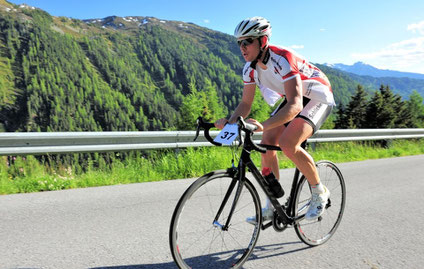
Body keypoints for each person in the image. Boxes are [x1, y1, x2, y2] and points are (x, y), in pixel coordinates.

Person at [215, 17, 335, 223]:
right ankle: (272, 205)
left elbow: (295, 104)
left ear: (263, 41)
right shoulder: (249, 68)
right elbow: (245, 104)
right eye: (239, 43)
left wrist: (263, 125)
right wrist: (231, 123)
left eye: (247, 42)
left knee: (288, 144)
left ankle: (319, 191)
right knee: (267, 144)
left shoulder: (283, 59)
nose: (242, 47)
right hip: (293, 98)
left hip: (316, 96)